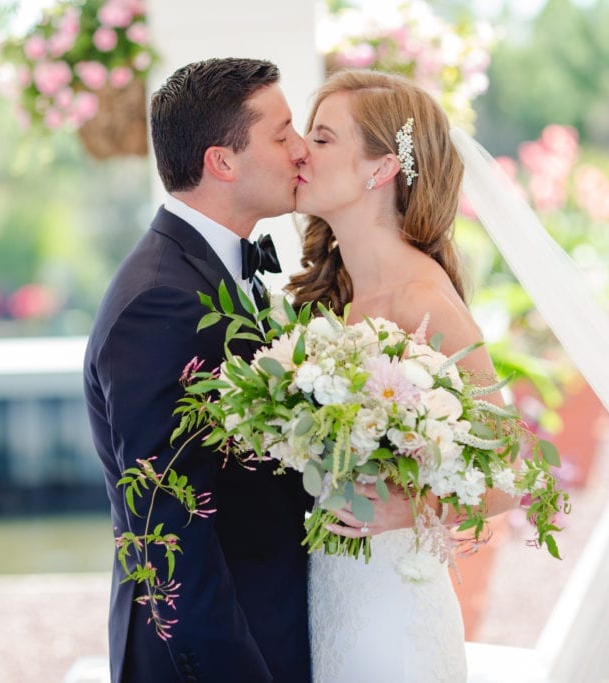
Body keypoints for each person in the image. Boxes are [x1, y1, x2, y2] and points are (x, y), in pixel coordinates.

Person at [83, 58, 313, 682]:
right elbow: (169, 532)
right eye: (282, 132)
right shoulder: (160, 299)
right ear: (223, 161)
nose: (300, 149)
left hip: (267, 625)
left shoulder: (220, 273)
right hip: (216, 657)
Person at [288, 69, 521, 682]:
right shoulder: (333, 297)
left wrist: (408, 511)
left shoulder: (423, 301)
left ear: (381, 168)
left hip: (394, 616)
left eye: (323, 138)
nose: (299, 151)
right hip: (330, 597)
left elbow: (515, 472)